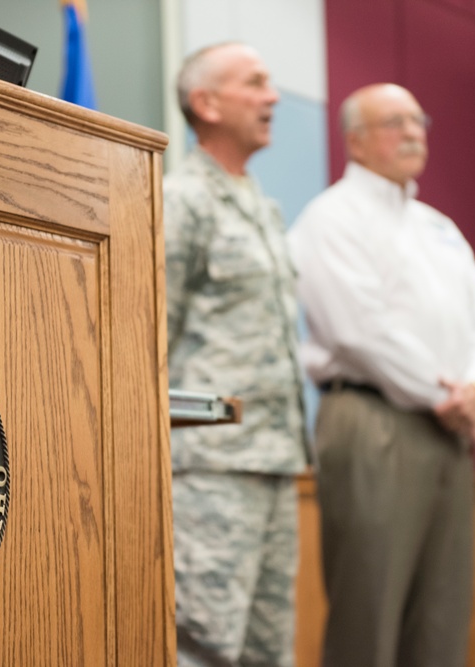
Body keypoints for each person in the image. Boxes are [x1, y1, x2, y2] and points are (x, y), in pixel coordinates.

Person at [288, 83, 475, 666]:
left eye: (418, 120)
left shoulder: (439, 227)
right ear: (355, 141)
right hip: (373, 422)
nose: (413, 132)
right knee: (369, 614)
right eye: (395, 122)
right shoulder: (331, 218)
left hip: (448, 429)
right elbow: (360, 331)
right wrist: (452, 399)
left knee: (442, 616)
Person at [164, 42, 309, 666]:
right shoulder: (182, 200)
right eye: (254, 82)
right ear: (207, 103)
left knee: (267, 651)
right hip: (211, 467)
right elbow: (152, 336)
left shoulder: (263, 207)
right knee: (204, 642)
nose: (272, 96)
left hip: (275, 459)